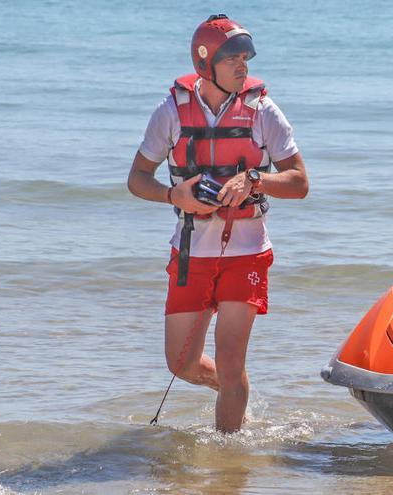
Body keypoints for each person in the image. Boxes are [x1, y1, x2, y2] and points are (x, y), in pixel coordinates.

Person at [127, 14, 308, 433]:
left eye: (246, 58)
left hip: (247, 251)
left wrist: (256, 179)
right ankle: (234, 391)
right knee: (181, 363)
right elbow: (137, 179)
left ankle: (230, 464)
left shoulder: (264, 110)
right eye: (232, 59)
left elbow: (300, 182)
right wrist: (175, 195)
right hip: (192, 252)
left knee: (230, 362)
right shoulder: (170, 112)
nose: (242, 66)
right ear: (206, 62)